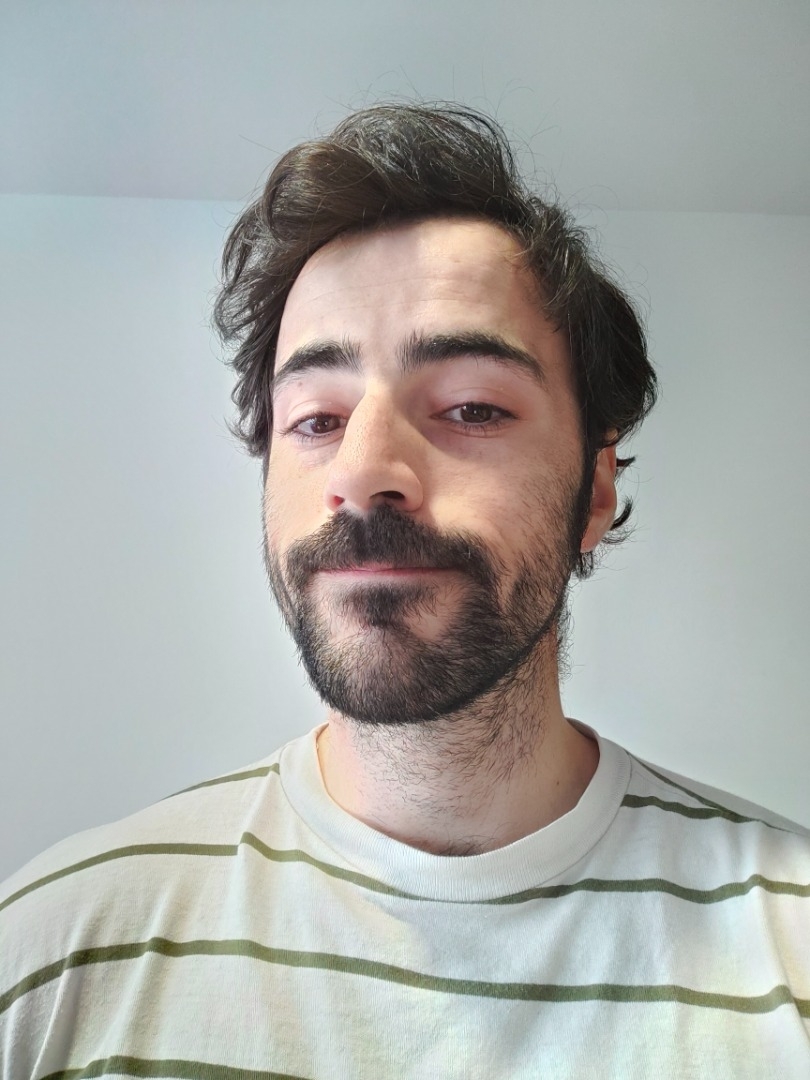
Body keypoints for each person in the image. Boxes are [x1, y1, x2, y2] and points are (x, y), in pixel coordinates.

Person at [1, 104, 808, 1080]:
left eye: (471, 407)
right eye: (317, 418)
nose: (363, 471)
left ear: (595, 492)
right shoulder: (54, 961)